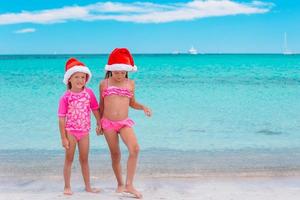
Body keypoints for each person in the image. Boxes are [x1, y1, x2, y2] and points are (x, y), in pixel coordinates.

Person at [98, 48, 152, 199]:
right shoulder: (104, 84)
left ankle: (129, 184)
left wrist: (143, 107)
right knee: (115, 154)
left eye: (123, 72)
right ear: (111, 71)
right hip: (108, 123)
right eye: (117, 72)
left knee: (135, 149)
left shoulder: (131, 84)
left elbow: (132, 103)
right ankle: (120, 183)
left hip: (124, 123)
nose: (120, 75)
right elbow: (101, 105)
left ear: (127, 71)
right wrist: (98, 123)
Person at [58, 58, 101, 195]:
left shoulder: (89, 93)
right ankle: (67, 186)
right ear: (69, 79)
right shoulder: (65, 97)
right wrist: (63, 138)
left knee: (84, 159)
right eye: (77, 77)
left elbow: (95, 109)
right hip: (70, 132)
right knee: (69, 159)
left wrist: (99, 123)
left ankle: (88, 186)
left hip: (84, 133)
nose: (80, 80)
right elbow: (61, 118)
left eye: (83, 77)